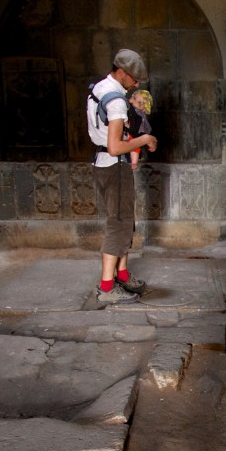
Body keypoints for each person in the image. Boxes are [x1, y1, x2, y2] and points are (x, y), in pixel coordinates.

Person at [86, 49, 158, 303]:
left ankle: (123, 274)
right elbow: (115, 146)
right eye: (134, 79)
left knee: (125, 219)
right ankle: (107, 287)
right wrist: (144, 139)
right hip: (113, 165)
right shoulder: (116, 101)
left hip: (105, 163)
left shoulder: (100, 88)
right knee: (118, 223)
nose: (137, 85)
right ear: (122, 73)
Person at [124, 89, 153, 170]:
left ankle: (134, 162)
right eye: (133, 98)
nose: (133, 100)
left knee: (135, 147)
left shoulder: (140, 115)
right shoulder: (127, 107)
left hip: (133, 134)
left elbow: (136, 130)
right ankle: (134, 162)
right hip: (126, 134)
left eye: (140, 103)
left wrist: (129, 127)